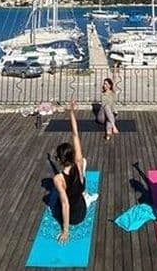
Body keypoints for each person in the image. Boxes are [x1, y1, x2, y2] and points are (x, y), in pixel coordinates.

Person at [53, 99, 99, 244]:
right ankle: (87, 197)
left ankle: (87, 197)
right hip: (81, 212)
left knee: (58, 201)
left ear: (59, 160)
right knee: (83, 162)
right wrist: (71, 112)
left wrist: (65, 231)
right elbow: (75, 135)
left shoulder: (58, 179)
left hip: (72, 218)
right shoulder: (78, 163)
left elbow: (65, 205)